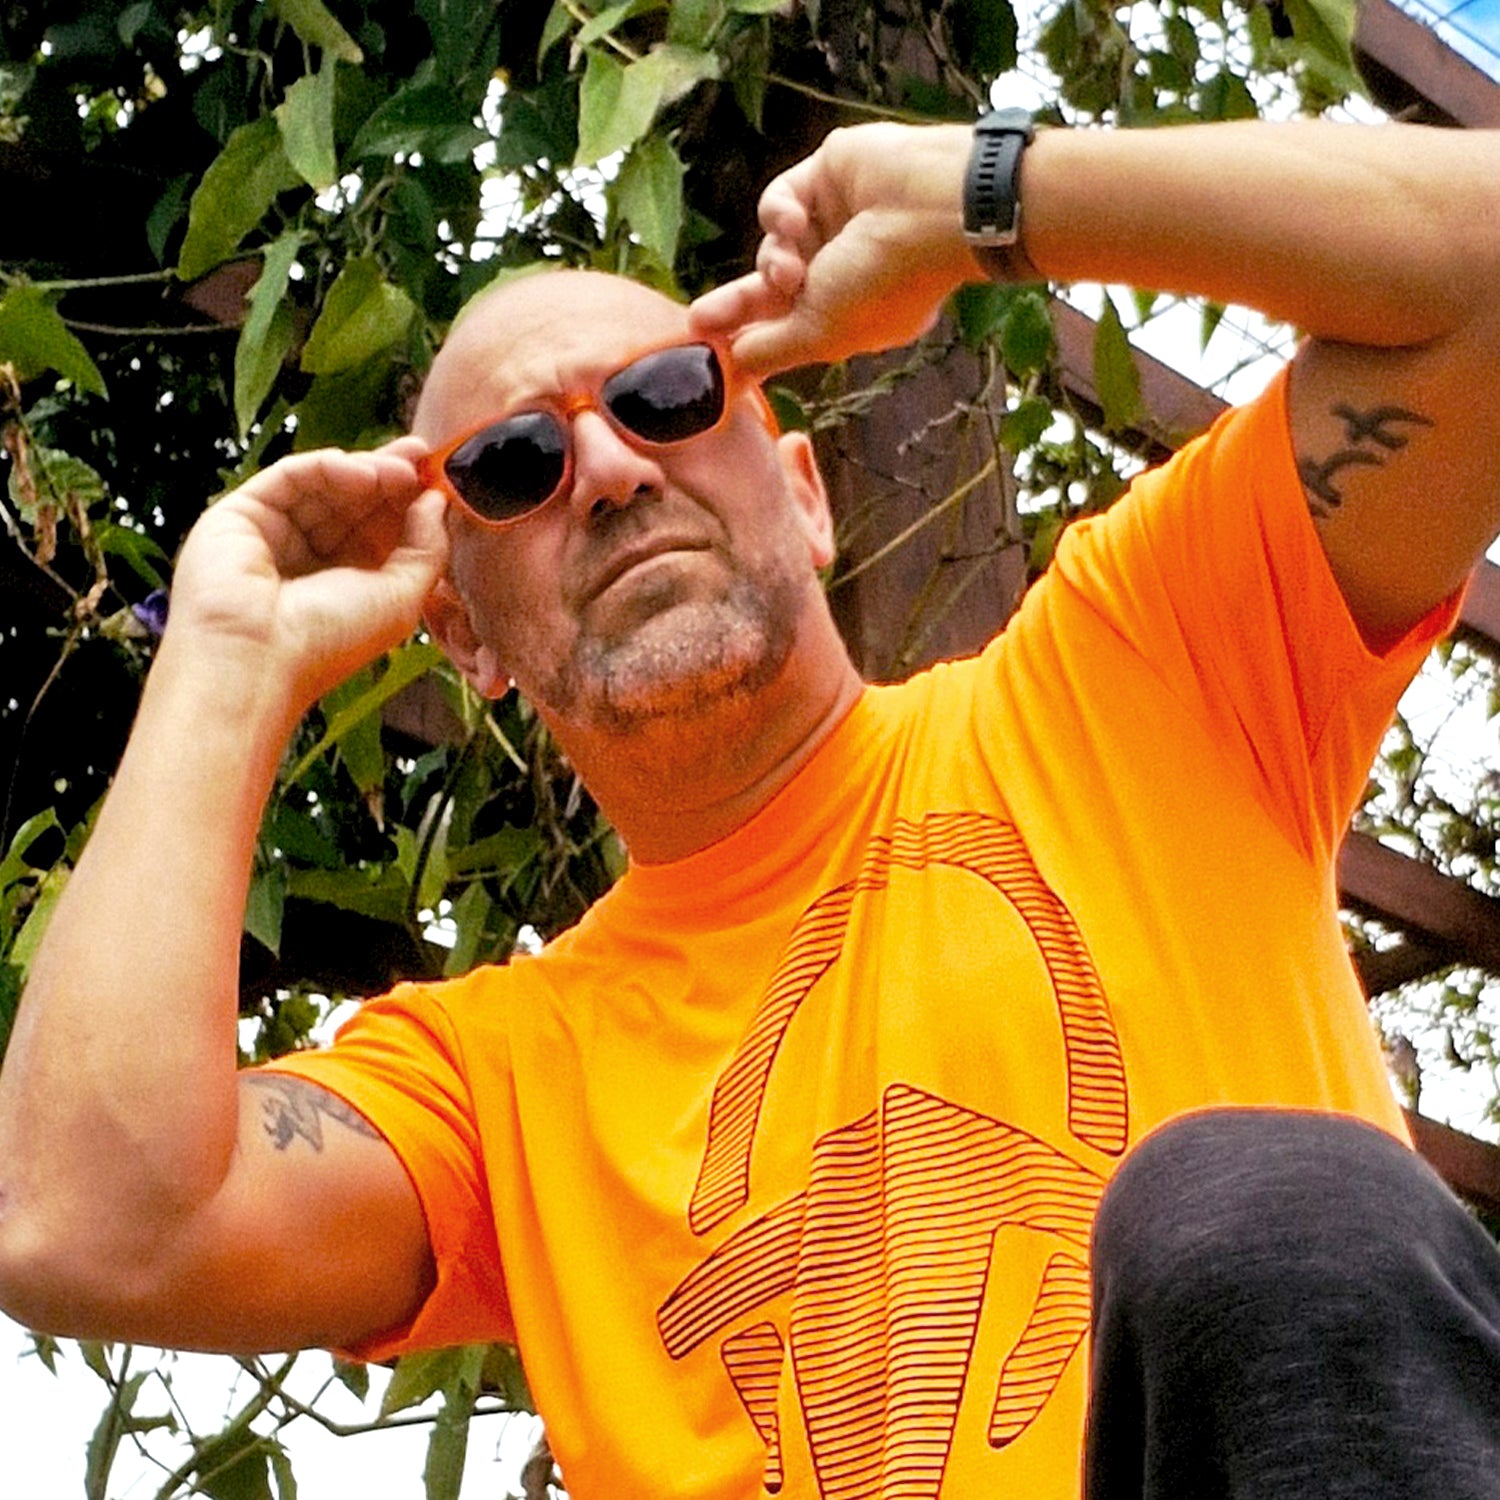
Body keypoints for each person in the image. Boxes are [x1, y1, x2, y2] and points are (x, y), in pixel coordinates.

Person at [2, 115, 1500, 1499]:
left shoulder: (1149, 672)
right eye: (513, 467)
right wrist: (226, 659)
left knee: (1267, 1206)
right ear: (465, 636)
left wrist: (980, 196)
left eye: (665, 395)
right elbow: (73, 1219)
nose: (606, 470)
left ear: (807, 492)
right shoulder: (501, 1088)